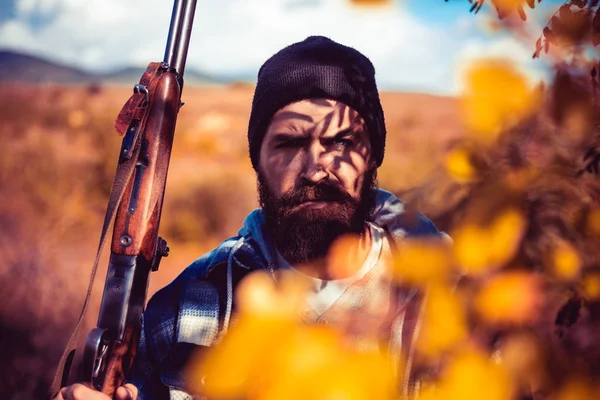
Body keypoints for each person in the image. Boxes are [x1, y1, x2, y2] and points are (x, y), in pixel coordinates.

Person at [56, 35, 447, 400]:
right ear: (257, 161)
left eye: (341, 142)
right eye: (289, 143)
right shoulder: (184, 307)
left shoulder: (448, 294)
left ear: (373, 155)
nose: (315, 170)